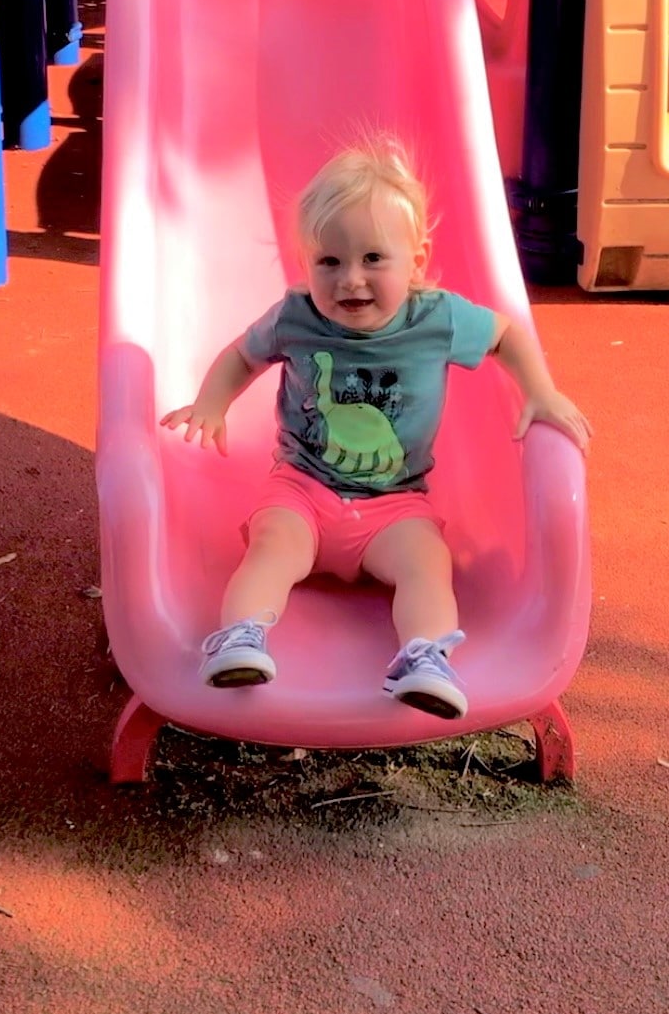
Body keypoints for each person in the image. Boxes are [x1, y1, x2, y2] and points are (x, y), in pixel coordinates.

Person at [161, 140, 592, 716]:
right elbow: (243, 356)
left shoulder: (436, 317)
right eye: (329, 262)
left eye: (373, 259)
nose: (350, 280)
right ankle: (240, 636)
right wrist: (211, 403)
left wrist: (540, 391)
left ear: (416, 260)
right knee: (270, 549)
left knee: (428, 565)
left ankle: (426, 656)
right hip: (301, 488)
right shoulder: (296, 316)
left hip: (395, 503)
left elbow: (506, 336)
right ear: (306, 264)